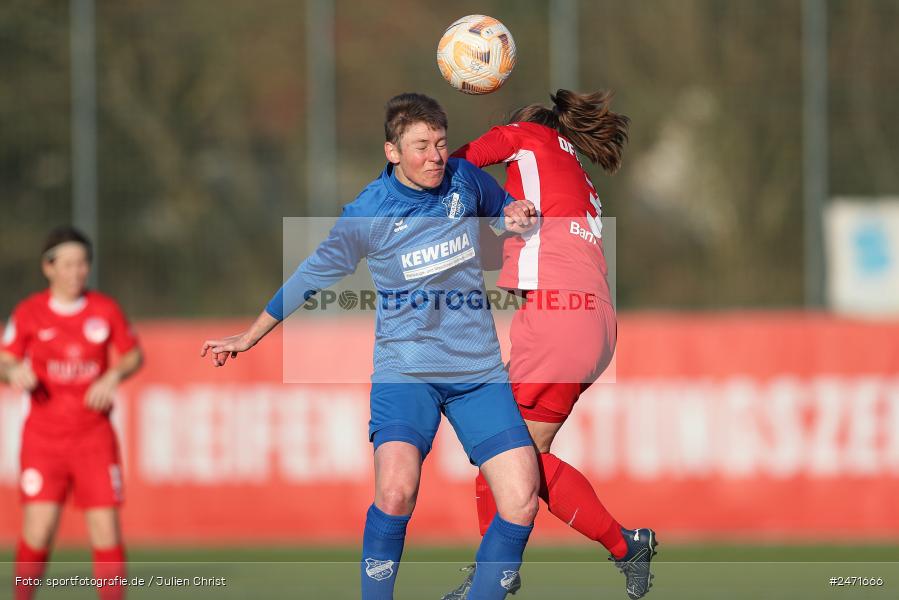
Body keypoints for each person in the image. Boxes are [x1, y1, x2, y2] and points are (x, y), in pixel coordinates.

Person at [201, 93, 542, 600]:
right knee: (395, 490)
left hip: (477, 373)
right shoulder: (368, 212)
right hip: (405, 372)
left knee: (522, 500)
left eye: (441, 144)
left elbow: (501, 220)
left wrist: (515, 215)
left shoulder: (464, 181)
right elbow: (310, 275)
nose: (435, 156)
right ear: (392, 151)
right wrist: (251, 335)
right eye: (421, 146)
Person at [443, 89, 658, 600]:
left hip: (559, 314)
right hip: (590, 318)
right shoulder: (570, 175)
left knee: (501, 450)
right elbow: (517, 237)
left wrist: (413, 178)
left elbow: (456, 164)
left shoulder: (528, 138)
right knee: (517, 454)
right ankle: (623, 547)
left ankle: (499, 572)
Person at [1, 227, 143, 600]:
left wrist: (114, 374)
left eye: (83, 264)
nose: (77, 272)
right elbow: (6, 358)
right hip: (44, 440)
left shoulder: (104, 309)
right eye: (68, 264)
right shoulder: (29, 312)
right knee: (39, 530)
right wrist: (12, 370)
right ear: (48, 268)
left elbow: (133, 354)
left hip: (93, 438)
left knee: (106, 531)